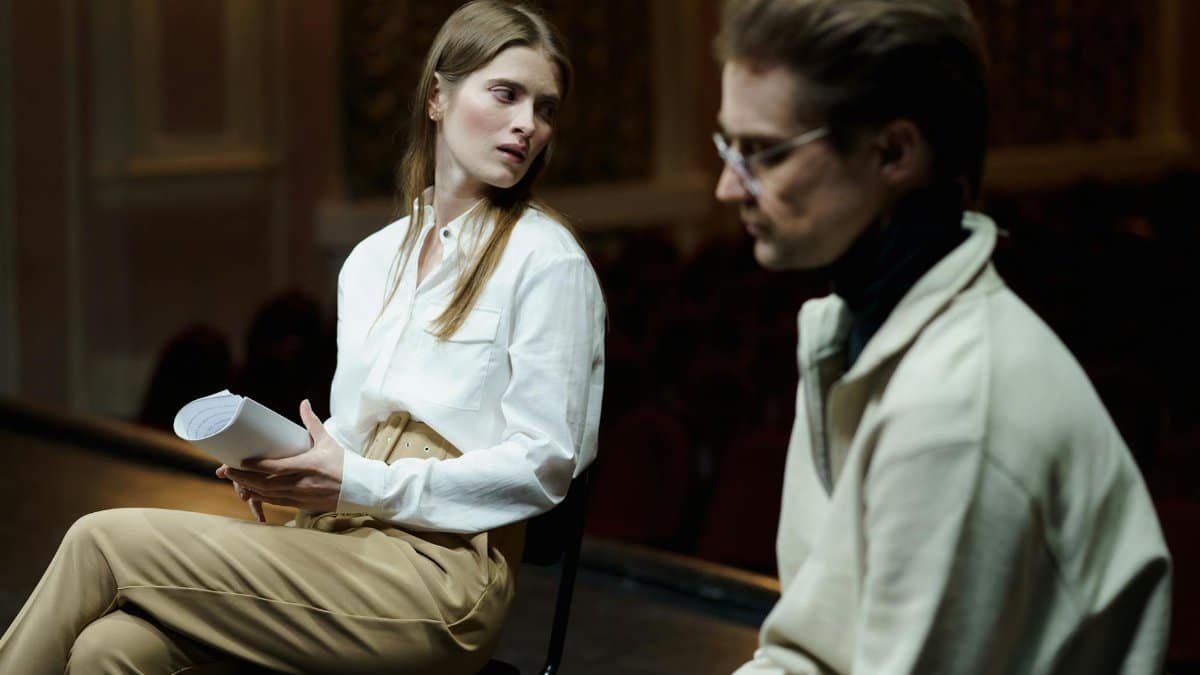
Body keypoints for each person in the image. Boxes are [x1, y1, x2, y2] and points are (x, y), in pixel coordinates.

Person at [0, 1, 605, 673]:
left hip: (440, 574)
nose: (528, 124)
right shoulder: (373, 261)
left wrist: (360, 481)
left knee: (99, 540)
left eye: (545, 108)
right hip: (334, 539)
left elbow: (544, 466)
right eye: (507, 93)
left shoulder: (547, 261)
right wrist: (289, 464)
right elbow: (356, 429)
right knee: (109, 649)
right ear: (438, 96)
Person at [711, 1, 1170, 673]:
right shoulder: (846, 331)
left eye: (760, 153)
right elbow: (812, 652)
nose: (727, 186)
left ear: (894, 152)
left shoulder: (955, 411)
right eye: (727, 146)